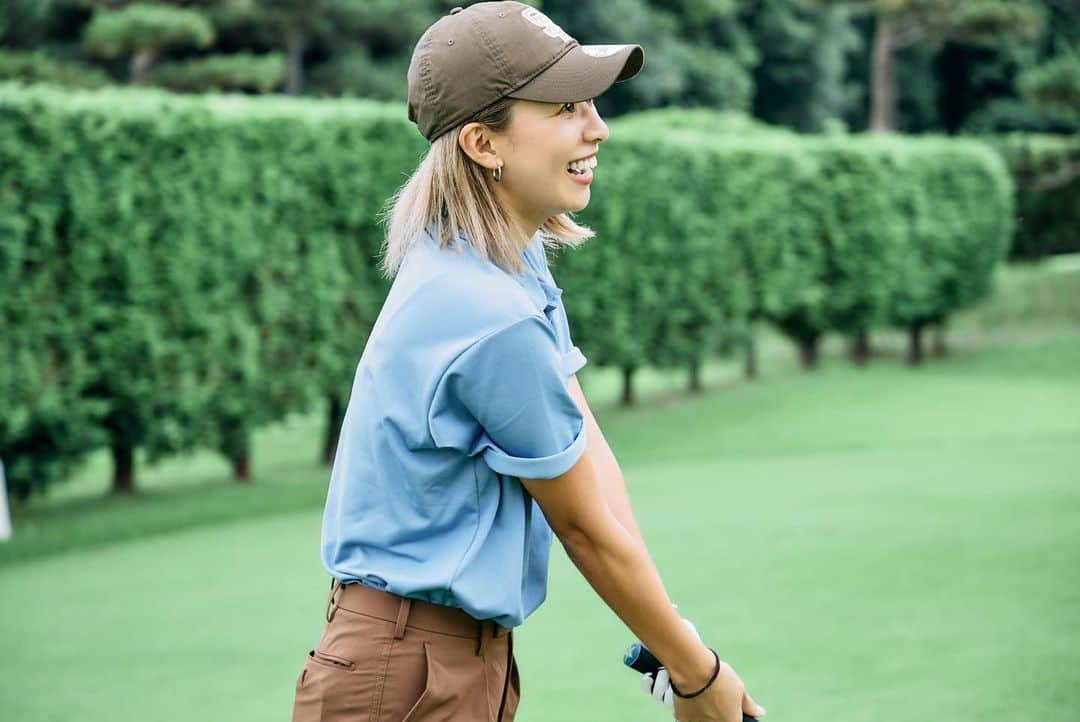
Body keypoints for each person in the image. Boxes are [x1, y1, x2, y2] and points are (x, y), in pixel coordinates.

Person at [290, 3, 767, 722]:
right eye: (567, 106)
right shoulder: (488, 311)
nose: (597, 126)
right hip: (408, 672)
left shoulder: (506, 267)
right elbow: (582, 529)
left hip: (447, 661)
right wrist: (699, 678)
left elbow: (589, 459)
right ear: (484, 143)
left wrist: (672, 636)